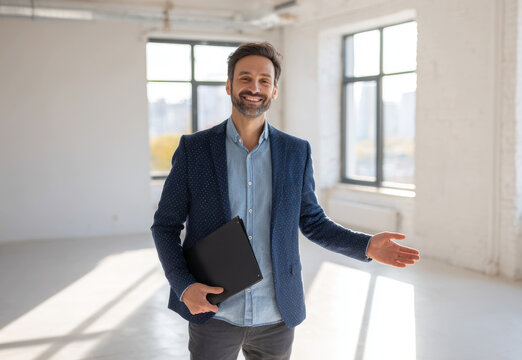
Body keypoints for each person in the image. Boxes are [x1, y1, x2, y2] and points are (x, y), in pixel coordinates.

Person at [151, 42, 420, 360]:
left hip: (276, 317)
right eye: (245, 78)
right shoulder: (194, 150)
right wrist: (184, 286)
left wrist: (365, 246)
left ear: (274, 90)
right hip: (214, 312)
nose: (255, 87)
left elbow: (313, 222)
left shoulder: (296, 152)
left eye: (264, 80)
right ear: (228, 85)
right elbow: (166, 226)